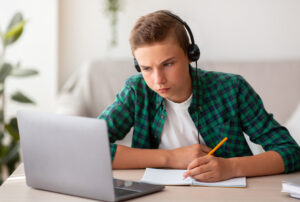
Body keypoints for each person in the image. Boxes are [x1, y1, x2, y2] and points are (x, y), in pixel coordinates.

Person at [98, 10, 300, 182]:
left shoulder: (232, 89)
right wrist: (170, 158)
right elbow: (92, 149)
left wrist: (230, 168)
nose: (158, 79)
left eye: (168, 64)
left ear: (190, 54)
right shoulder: (135, 91)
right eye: (146, 68)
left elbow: (290, 152)